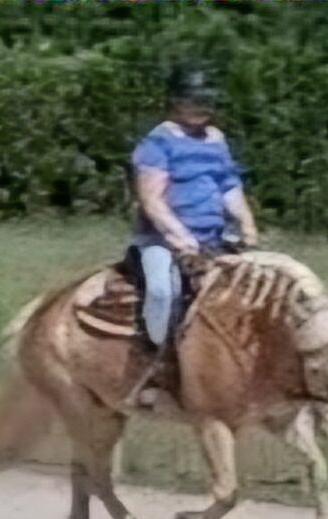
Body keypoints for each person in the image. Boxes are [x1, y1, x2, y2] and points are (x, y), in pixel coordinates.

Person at [131, 67, 258, 349]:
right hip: (163, 240)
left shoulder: (216, 140)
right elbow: (151, 200)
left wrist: (247, 224)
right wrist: (181, 236)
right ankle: (156, 355)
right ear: (176, 101)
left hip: (214, 238)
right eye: (195, 101)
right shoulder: (158, 142)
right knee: (164, 291)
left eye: (207, 101)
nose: (202, 108)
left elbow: (229, 187)